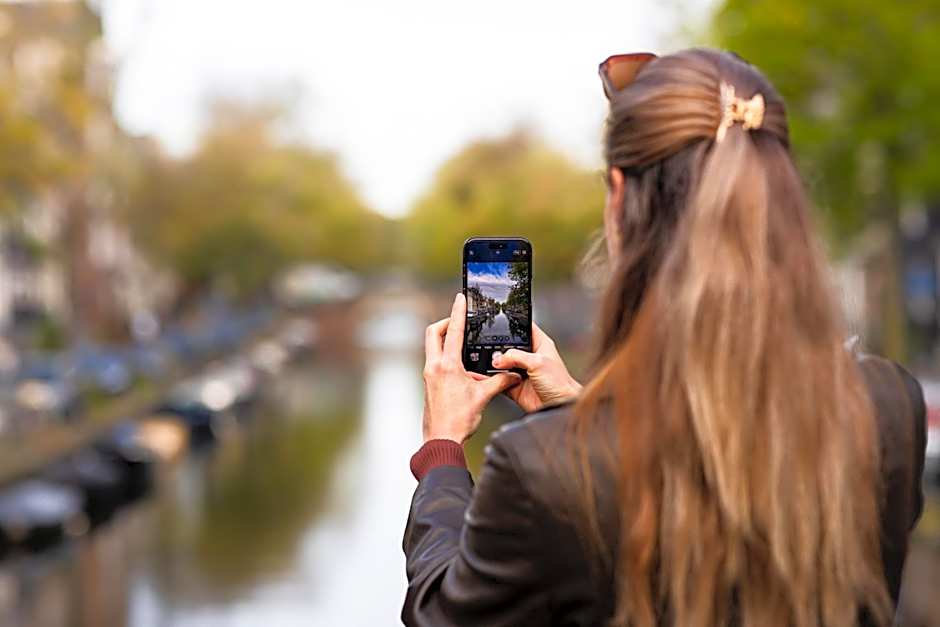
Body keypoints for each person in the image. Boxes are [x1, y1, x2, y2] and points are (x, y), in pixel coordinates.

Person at [402, 48, 927, 627]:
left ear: (620, 196)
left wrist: (444, 451)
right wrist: (582, 409)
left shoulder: (542, 471)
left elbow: (443, 614)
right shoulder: (888, 408)